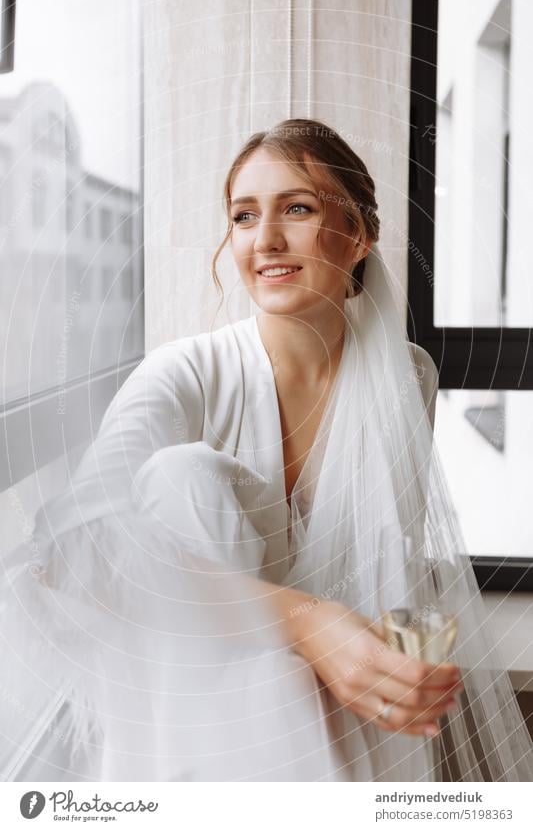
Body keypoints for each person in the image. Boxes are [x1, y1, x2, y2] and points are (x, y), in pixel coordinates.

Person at [1, 119, 532, 782]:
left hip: (350, 704)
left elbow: (383, 556)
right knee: (183, 475)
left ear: (361, 233)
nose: (265, 240)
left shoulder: (407, 374)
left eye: (298, 208)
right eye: (244, 216)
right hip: (197, 730)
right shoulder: (180, 375)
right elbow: (66, 554)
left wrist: (379, 665)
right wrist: (305, 623)